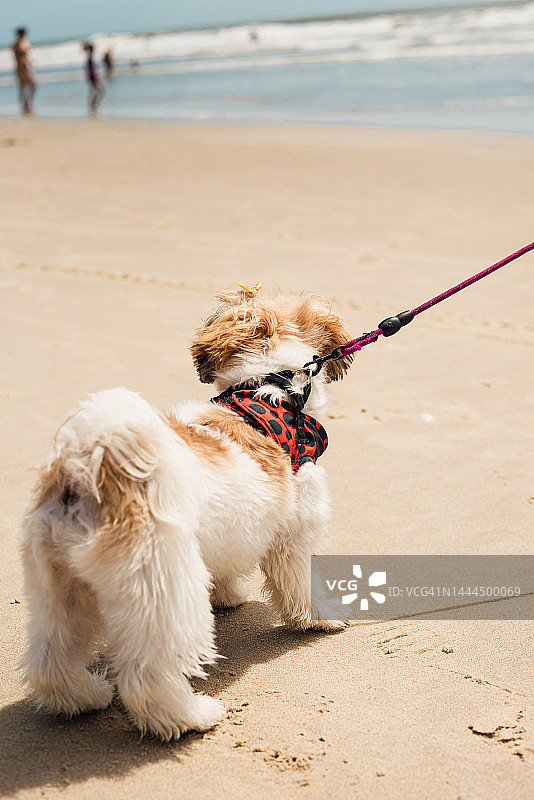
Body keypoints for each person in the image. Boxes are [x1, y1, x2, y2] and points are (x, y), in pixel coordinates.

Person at [12, 27, 37, 116]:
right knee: (31, 85)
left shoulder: (21, 43)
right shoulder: (18, 44)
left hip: (23, 67)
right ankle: (27, 107)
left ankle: (26, 107)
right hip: (22, 67)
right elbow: (20, 55)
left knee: (25, 87)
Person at [83, 42, 104, 115]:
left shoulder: (89, 56)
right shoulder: (91, 57)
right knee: (100, 90)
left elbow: (88, 68)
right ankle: (93, 104)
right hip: (93, 76)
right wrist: (95, 76)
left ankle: (92, 104)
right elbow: (91, 69)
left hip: (92, 76)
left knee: (94, 90)